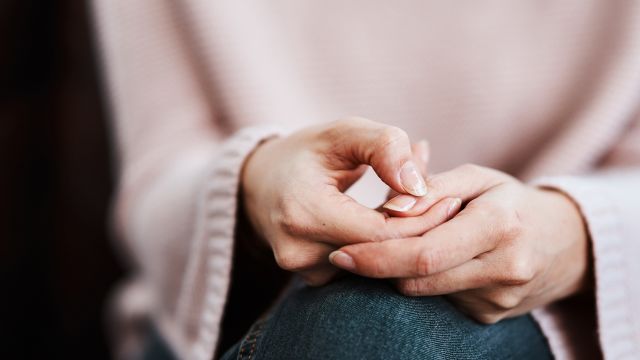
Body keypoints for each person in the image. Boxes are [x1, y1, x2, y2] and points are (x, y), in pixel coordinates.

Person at [93, 2, 640, 359]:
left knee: (374, 324)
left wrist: (575, 235)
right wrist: (257, 182)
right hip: (222, 312)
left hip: (585, 314)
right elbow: (160, 167)